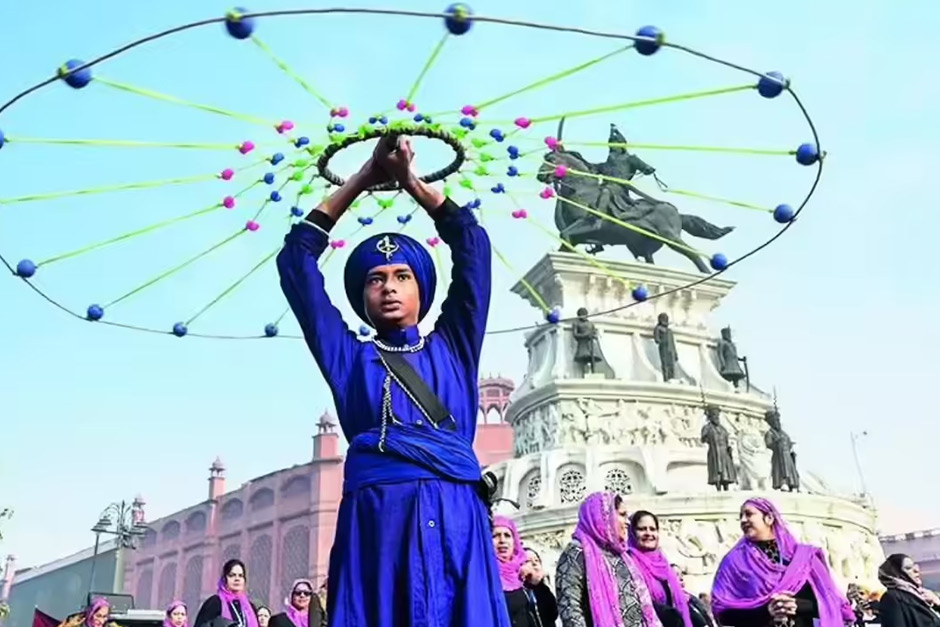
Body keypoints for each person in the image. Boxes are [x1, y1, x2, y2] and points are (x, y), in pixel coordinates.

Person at [277, 136, 506, 626]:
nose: (388, 287)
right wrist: (360, 180)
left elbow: (473, 249)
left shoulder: (455, 347)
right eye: (375, 279)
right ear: (362, 296)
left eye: (402, 275)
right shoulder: (349, 361)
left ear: (421, 288)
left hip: (457, 520)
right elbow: (296, 263)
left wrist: (414, 186)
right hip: (378, 524)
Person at [711, 498, 853, 627]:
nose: (742, 520)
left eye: (748, 514)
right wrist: (767, 610)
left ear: (769, 518)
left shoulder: (804, 557)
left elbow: (828, 601)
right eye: (740, 517)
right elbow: (723, 612)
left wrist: (797, 605)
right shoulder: (733, 562)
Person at [555, 491, 662, 627]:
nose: (628, 522)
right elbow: (570, 607)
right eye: (622, 515)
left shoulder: (621, 554)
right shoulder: (577, 552)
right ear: (605, 516)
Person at [627, 510, 694, 627]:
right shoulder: (628, 564)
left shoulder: (663, 563)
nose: (648, 533)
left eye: (652, 529)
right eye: (642, 529)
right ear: (632, 532)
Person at [492, 515, 558, 627]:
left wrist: (537, 585)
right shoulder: (485, 574)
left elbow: (550, 613)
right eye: (496, 536)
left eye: (507, 535)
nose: (502, 540)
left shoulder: (521, 575)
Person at [877, 554, 940, 627]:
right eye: (908, 568)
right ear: (897, 574)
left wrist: (937, 602)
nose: (916, 570)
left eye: (915, 566)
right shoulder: (893, 598)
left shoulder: (922, 596)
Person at [193, 559, 259, 627]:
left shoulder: (250, 607)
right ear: (224, 579)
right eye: (232, 575)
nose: (237, 579)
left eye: (240, 575)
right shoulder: (215, 603)